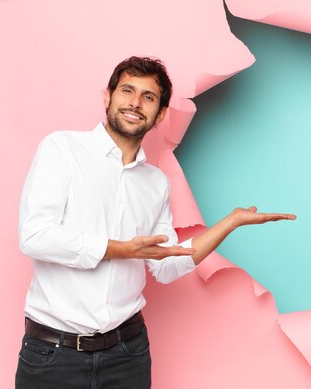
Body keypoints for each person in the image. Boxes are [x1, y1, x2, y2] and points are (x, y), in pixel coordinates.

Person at [15, 56, 296, 388]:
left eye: (148, 97)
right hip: (54, 353)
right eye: (127, 91)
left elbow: (166, 265)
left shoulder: (156, 183)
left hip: (127, 352)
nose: (135, 103)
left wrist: (230, 223)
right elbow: (35, 236)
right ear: (108, 97)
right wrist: (120, 249)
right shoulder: (62, 150)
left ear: (160, 114)